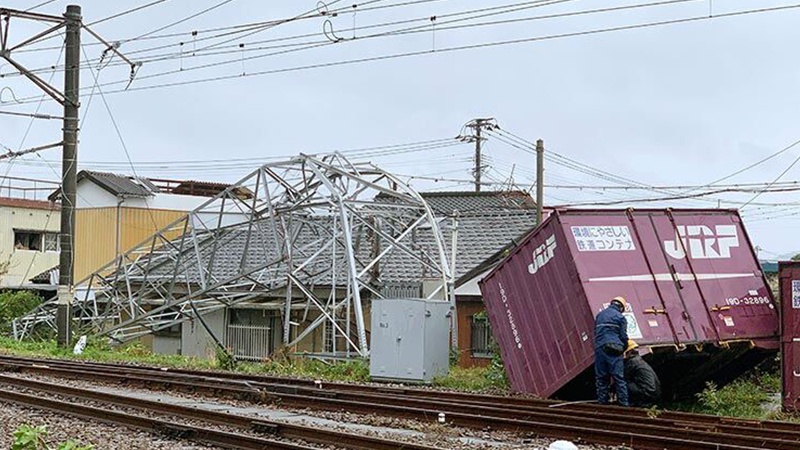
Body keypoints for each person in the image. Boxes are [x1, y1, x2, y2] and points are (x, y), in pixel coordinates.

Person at [594, 296, 629, 406]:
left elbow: (595, 333)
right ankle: (624, 404)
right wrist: (625, 347)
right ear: (621, 307)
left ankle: (602, 403)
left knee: (601, 377)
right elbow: (623, 336)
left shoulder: (600, 315)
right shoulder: (620, 317)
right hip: (615, 348)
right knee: (619, 378)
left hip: (600, 348)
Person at [624, 340, 661, 407]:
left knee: (621, 382)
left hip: (646, 394)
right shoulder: (639, 360)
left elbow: (623, 377)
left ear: (628, 352)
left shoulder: (631, 362)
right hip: (653, 393)